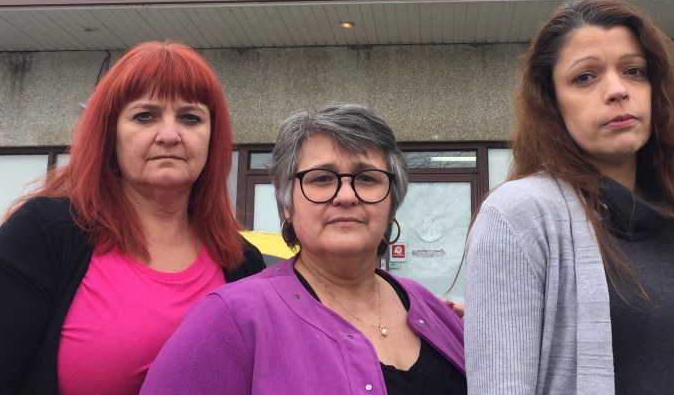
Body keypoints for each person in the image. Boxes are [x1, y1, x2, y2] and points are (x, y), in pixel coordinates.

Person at [464, 0, 674, 395]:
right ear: (551, 103)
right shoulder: (518, 217)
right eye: (585, 77)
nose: (616, 89)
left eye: (633, 70)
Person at [0, 41, 265, 395]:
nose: (169, 135)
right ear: (109, 135)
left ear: (213, 137)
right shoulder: (43, 235)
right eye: (144, 116)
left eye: (190, 118)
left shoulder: (241, 262)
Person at [141, 104, 465, 395]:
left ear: (392, 202)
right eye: (322, 179)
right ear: (286, 206)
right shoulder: (229, 320)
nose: (347, 196)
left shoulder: (436, 312)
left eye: (367, 178)